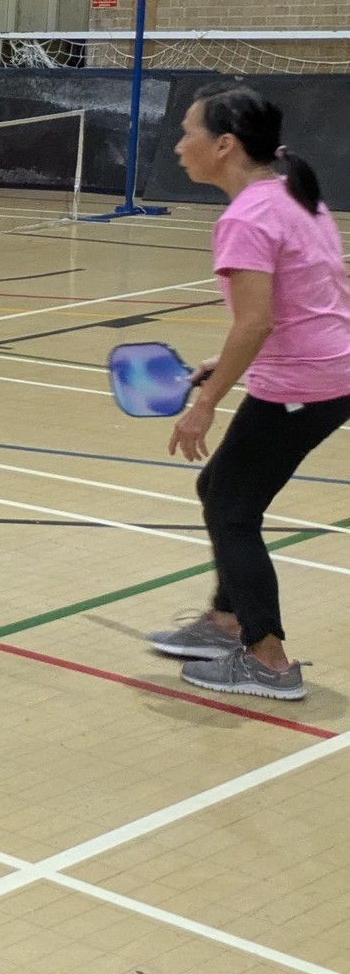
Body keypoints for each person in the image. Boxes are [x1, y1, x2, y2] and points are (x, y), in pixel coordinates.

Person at [146, 85, 350, 703]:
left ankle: (268, 660)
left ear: (225, 145)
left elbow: (255, 321)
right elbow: (307, 299)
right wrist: (226, 364)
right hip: (328, 372)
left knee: (232, 510)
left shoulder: (246, 217)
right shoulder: (294, 196)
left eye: (189, 132)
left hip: (303, 384)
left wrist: (206, 403)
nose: (179, 145)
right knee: (220, 489)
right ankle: (226, 621)